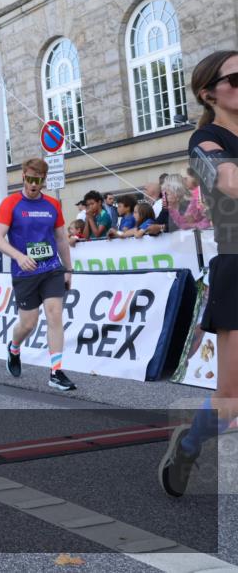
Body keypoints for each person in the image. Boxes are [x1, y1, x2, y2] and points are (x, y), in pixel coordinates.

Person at [160, 50, 238, 497]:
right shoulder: (205, 139)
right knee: (230, 401)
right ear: (209, 93)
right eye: (236, 79)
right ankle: (189, 445)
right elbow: (228, 180)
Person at [0, 157, 76, 391]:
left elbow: (61, 239)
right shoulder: (11, 203)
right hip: (25, 271)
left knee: (55, 314)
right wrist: (18, 256)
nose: (33, 184)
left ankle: (56, 372)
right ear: (23, 177)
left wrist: (68, 269)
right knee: (28, 324)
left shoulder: (52, 205)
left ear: (44, 181)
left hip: (51, 269)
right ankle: (14, 348)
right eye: (29, 179)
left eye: (38, 180)